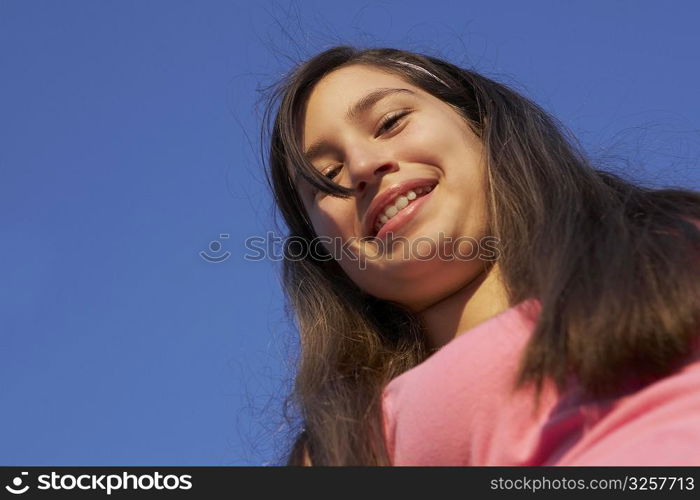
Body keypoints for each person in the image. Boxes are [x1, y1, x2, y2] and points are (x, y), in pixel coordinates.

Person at [261, 46, 700, 466]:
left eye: (391, 121)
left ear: (480, 123)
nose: (360, 166)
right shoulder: (344, 452)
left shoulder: (678, 243)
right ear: (325, 255)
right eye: (327, 179)